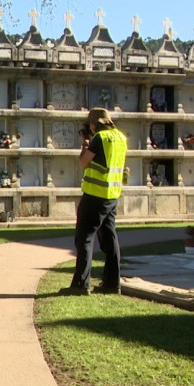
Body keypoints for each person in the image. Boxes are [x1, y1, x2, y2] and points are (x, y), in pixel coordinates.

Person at [60, 108, 128, 295]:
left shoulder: (100, 138)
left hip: (94, 195)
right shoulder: (121, 137)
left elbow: (83, 162)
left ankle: (81, 285)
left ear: (94, 124)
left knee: (84, 238)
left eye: (90, 124)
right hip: (112, 195)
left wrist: (85, 143)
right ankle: (112, 284)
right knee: (110, 238)